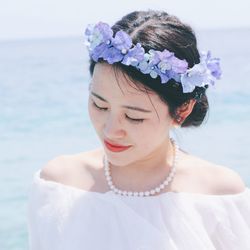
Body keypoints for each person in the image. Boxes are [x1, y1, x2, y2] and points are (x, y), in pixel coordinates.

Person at [27, 10, 250, 250]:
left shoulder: (219, 196)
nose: (111, 130)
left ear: (182, 110)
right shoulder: (58, 185)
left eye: (134, 117)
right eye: (99, 105)